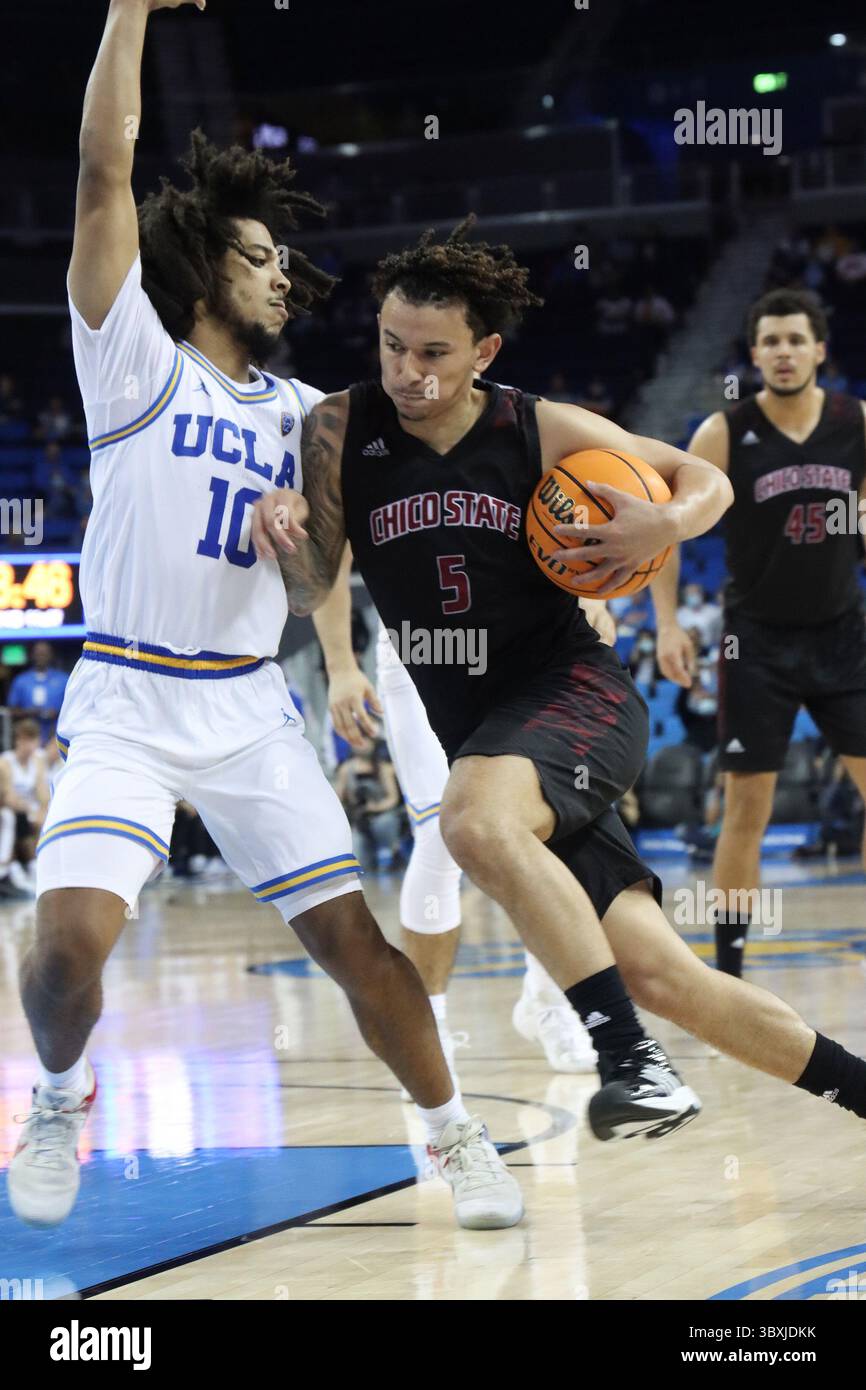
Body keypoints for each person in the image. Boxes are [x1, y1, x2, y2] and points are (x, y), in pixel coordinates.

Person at [8, 0, 520, 1236]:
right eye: (256, 256)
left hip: (246, 703)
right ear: (198, 273)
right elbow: (103, 166)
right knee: (64, 947)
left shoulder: (313, 413)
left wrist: (302, 550)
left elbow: (316, 587)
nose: (281, 271)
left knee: (359, 946)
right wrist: (129, 8)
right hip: (127, 697)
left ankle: (455, 1135)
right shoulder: (130, 356)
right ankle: (63, 1095)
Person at [253, 222, 866, 1153]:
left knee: (469, 822)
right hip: (492, 730)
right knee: (664, 975)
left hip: (577, 693)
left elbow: (706, 479)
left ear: (484, 352)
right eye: (390, 345)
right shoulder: (340, 428)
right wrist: (288, 530)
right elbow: (309, 587)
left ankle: (631, 1062)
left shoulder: (535, 426)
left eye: (433, 353)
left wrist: (661, 523)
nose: (408, 371)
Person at [313, 544, 600, 1080]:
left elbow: (577, 515)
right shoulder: (369, 457)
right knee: (441, 836)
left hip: (522, 645)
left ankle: (547, 1001)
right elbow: (331, 553)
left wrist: (589, 592)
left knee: (542, 834)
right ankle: (429, 1025)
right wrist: (340, 664)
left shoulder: (524, 454)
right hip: (419, 650)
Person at [653, 287, 866, 977]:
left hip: (842, 633)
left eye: (795, 340)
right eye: (770, 341)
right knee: (748, 809)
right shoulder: (722, 432)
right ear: (754, 354)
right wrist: (666, 624)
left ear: (820, 350)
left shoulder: (855, 422)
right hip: (757, 644)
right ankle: (730, 973)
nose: (782, 352)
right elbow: (668, 524)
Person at [333, 734, 403, 869]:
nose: (362, 744)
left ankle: (391, 850)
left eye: (365, 740)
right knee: (361, 865)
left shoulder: (384, 768)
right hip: (358, 819)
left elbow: (392, 799)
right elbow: (338, 800)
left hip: (382, 815)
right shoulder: (346, 769)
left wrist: (374, 807)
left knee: (385, 823)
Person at [7, 642, 69, 745]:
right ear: (32, 655)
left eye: (44, 654)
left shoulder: (63, 679)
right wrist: (28, 712)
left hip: (56, 733)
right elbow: (11, 710)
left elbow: (73, 707)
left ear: (51, 655)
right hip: (27, 734)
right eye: (38, 654)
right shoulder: (21, 680)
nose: (41, 657)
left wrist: (57, 712)